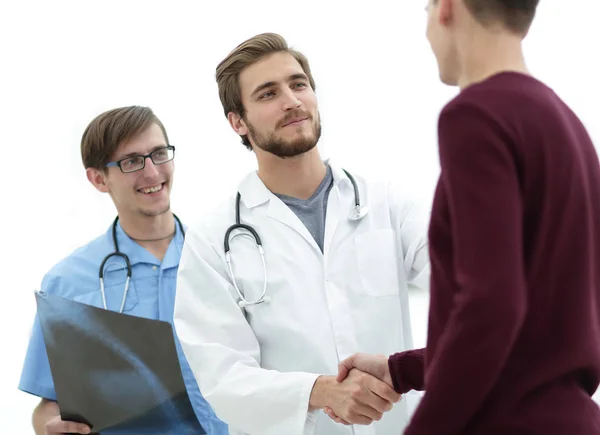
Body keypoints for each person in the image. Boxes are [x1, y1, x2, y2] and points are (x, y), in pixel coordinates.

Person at [327, 0, 600, 434]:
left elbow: (492, 307)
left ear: (448, 8)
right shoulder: (568, 126)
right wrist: (402, 370)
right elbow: (537, 329)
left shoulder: (475, 116)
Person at [173, 32, 430, 435]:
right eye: (267, 93)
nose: (292, 101)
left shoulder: (388, 206)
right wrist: (320, 391)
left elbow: (475, 283)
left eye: (298, 84)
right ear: (237, 121)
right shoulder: (211, 239)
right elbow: (222, 378)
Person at [18, 106, 228, 435]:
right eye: (131, 162)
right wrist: (49, 426)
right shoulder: (69, 283)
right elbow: (50, 403)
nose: (152, 172)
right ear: (99, 178)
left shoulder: (223, 261)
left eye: (159, 154)